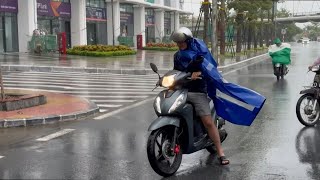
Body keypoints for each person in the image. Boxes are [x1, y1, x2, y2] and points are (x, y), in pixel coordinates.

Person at [171, 27, 230, 165]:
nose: (180, 45)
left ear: (188, 41)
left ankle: (221, 152)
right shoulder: (177, 56)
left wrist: (199, 74)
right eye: (177, 43)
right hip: (181, 91)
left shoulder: (199, 54)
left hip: (197, 91)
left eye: (182, 42)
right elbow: (176, 72)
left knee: (208, 122)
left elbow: (208, 70)